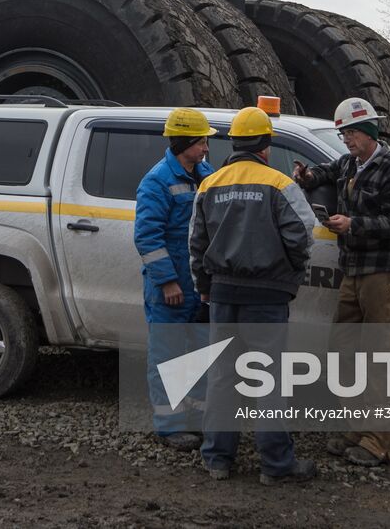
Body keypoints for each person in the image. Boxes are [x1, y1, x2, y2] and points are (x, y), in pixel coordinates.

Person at [190, 106, 317, 485]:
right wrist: (289, 277)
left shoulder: (210, 184)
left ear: (233, 144)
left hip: (224, 294)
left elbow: (195, 244)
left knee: (222, 377)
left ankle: (217, 460)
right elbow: (302, 236)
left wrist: (205, 287)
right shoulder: (280, 185)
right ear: (265, 145)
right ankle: (276, 466)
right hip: (268, 297)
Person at [294, 97, 390, 467]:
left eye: (349, 132)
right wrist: (307, 177)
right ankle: (357, 428)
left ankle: (382, 443)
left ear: (367, 132)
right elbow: (326, 172)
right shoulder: (350, 163)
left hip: (385, 276)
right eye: (342, 133)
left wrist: (355, 225)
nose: (345, 139)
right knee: (343, 352)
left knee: (381, 359)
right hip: (354, 273)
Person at [134, 107, 216, 451]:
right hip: (171, 288)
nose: (206, 149)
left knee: (198, 354)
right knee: (168, 357)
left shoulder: (204, 173)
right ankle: (169, 426)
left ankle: (196, 419)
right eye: (201, 142)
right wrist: (168, 281)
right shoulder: (157, 181)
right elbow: (147, 237)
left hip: (198, 286)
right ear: (185, 143)